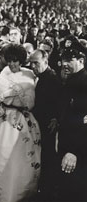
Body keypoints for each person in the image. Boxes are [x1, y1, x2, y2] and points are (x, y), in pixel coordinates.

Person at [0, 44, 41, 202]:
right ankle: (4, 192)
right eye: (9, 60)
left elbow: (31, 101)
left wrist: (19, 99)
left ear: (21, 60)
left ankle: (24, 190)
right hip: (4, 121)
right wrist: (7, 98)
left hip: (24, 118)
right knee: (3, 155)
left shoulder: (29, 74)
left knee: (22, 157)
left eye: (15, 61)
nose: (12, 64)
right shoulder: (1, 76)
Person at [29, 49, 62, 201]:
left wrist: (56, 118)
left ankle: (47, 191)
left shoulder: (52, 78)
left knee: (48, 157)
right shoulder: (43, 76)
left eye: (36, 63)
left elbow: (58, 100)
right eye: (31, 63)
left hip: (47, 125)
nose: (33, 66)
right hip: (42, 123)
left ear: (46, 61)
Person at [57, 48, 87, 201]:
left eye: (70, 60)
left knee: (75, 191)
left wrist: (74, 151)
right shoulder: (72, 79)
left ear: (81, 61)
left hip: (77, 152)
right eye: (64, 60)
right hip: (67, 145)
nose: (65, 64)